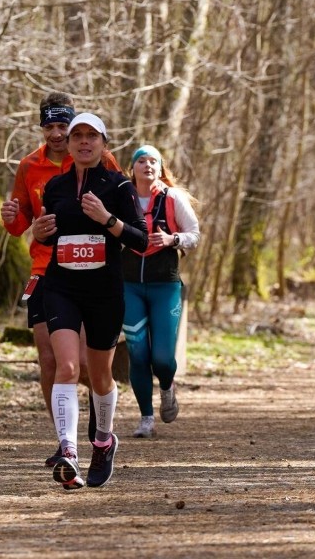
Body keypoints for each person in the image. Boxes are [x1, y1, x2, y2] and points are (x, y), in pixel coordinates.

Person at [0, 92, 121, 467]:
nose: (56, 134)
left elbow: (120, 210)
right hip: (45, 272)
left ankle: (101, 418)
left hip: (91, 275)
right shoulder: (29, 167)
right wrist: (13, 219)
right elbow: (22, 226)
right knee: (50, 362)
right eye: (49, 127)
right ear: (42, 128)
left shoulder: (95, 157)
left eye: (61, 126)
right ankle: (65, 442)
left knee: (85, 365)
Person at [32, 113, 148, 490]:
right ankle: (68, 451)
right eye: (76, 136)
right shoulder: (55, 187)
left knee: (100, 376)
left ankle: (103, 441)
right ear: (67, 142)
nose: (83, 142)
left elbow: (141, 240)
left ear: (103, 143)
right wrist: (39, 232)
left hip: (104, 292)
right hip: (61, 287)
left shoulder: (119, 186)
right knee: (65, 366)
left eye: (91, 137)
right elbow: (51, 237)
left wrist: (108, 219)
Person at [121, 145, 201, 438]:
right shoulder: (122, 196)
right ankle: (146, 418)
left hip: (164, 285)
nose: (148, 165)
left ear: (160, 167)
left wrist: (172, 239)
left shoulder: (172, 197)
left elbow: (194, 234)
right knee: (138, 353)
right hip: (128, 285)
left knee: (163, 359)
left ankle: (167, 387)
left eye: (153, 160)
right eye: (142, 160)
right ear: (133, 168)